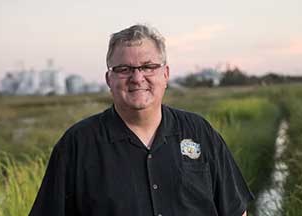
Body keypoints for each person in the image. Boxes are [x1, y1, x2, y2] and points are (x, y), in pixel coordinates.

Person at [29, 24, 254, 216]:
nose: (137, 78)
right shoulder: (77, 144)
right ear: (109, 78)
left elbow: (236, 211)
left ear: (165, 74)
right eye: (124, 69)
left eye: (148, 66)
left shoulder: (199, 132)